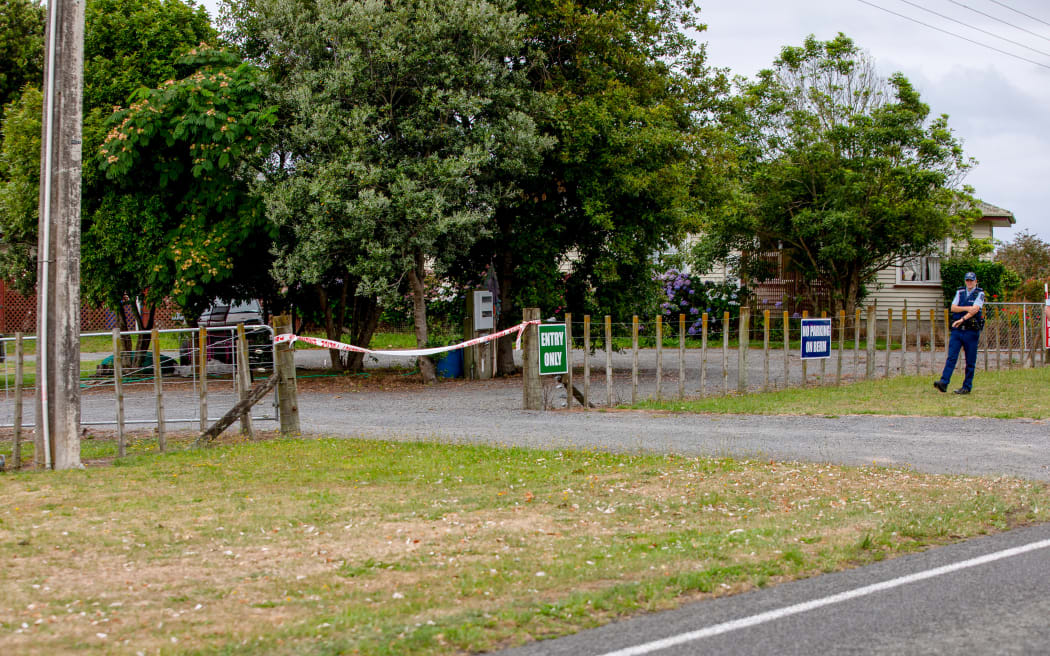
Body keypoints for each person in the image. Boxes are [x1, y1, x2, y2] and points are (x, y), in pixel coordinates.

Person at [934, 271, 985, 394]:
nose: (969, 282)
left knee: (970, 361)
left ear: (976, 281)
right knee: (951, 357)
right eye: (967, 280)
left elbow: (975, 310)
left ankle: (967, 386)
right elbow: (953, 307)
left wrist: (962, 319)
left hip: (971, 331)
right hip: (957, 330)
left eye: (971, 280)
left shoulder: (980, 293)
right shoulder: (960, 292)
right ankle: (944, 382)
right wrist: (967, 308)